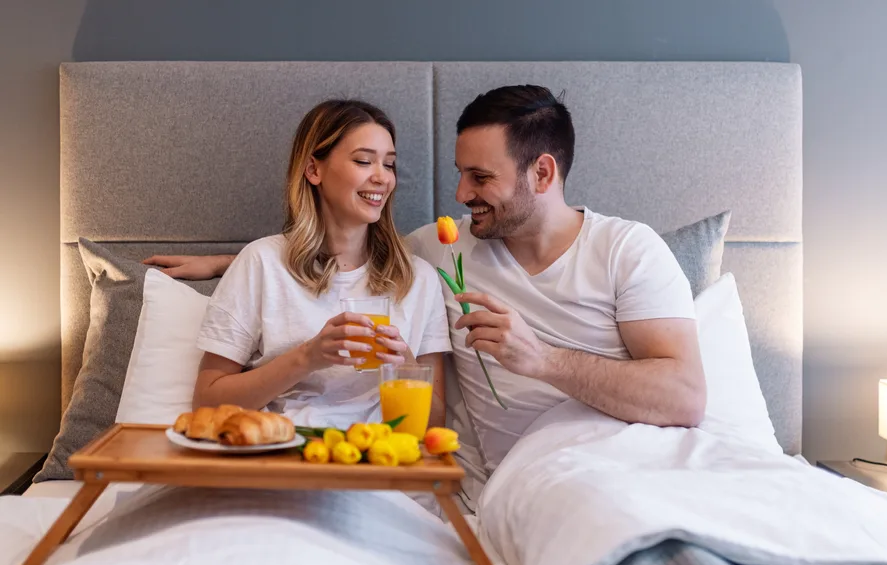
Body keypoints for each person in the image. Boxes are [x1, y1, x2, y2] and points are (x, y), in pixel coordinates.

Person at [146, 85, 705, 477]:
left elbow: (686, 398)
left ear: (542, 173)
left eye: (480, 177)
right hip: (525, 478)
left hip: (643, 460)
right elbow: (325, 259)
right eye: (460, 174)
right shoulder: (439, 251)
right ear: (314, 169)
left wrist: (542, 360)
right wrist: (230, 262)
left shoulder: (627, 250)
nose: (459, 195)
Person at [179, 99, 451, 430]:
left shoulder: (417, 279)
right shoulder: (262, 263)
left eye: (390, 165)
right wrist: (307, 357)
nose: (383, 178)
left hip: (377, 459)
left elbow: (436, 423)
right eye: (364, 161)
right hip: (281, 452)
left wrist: (405, 367)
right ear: (314, 170)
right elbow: (206, 403)